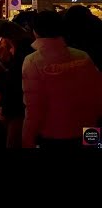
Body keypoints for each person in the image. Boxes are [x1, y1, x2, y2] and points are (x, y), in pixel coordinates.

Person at [21, 10, 102, 148]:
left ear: (35, 31)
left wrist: (27, 138)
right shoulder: (82, 56)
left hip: (54, 133)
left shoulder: (33, 62)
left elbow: (34, 107)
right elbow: (97, 93)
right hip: (89, 129)